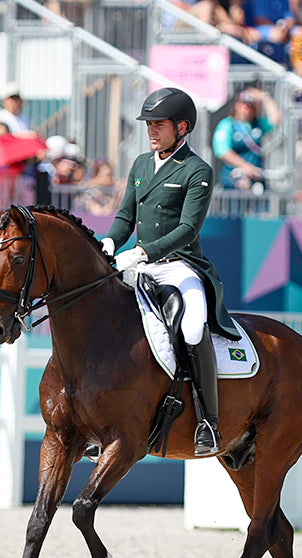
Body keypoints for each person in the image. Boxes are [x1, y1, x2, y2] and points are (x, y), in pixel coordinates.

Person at [100, 87, 239, 456]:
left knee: (193, 327)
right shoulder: (142, 165)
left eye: (158, 124)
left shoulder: (197, 170)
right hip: (138, 266)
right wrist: (112, 242)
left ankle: (208, 420)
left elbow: (188, 230)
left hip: (179, 266)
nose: (151, 131)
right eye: (149, 124)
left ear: (182, 127)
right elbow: (126, 216)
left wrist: (143, 251)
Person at [211, 88, 275, 191]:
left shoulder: (257, 125)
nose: (247, 108)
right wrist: (245, 166)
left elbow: (275, 119)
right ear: (237, 105)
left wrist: (265, 97)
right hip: (233, 180)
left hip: (255, 179)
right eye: (244, 105)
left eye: (251, 106)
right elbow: (222, 151)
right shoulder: (228, 124)